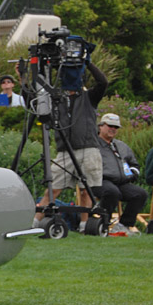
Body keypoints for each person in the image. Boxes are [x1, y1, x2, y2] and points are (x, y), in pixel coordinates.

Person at [34, 59, 109, 230]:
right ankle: (35, 223)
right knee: (53, 189)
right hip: (65, 150)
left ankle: (84, 225)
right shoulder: (56, 99)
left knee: (86, 190)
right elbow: (35, 99)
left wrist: (89, 63)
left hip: (88, 148)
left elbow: (103, 82)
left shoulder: (89, 97)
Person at [93, 113, 146, 233]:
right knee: (112, 192)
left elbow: (134, 164)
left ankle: (123, 226)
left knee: (140, 194)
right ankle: (103, 224)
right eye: (110, 125)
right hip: (99, 181)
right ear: (100, 126)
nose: (113, 129)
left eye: (116, 127)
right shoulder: (93, 144)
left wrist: (132, 175)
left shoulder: (121, 146)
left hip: (121, 182)